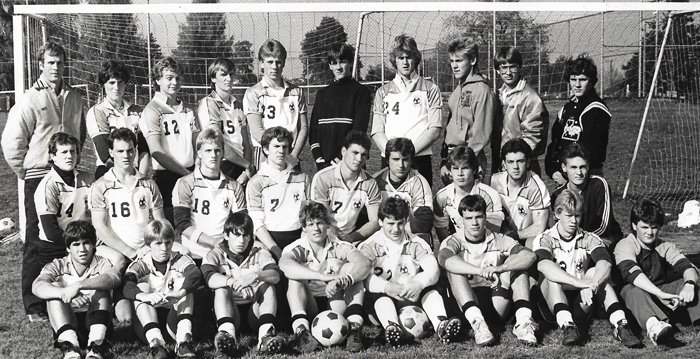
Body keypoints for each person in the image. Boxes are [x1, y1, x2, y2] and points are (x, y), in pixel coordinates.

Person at [1, 41, 86, 322]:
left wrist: (70, 162)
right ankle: (33, 303)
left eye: (60, 62)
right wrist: (26, 172)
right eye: (50, 62)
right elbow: (12, 142)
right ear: (40, 65)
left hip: (68, 174)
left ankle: (67, 293)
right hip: (38, 177)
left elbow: (79, 135)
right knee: (38, 241)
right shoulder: (30, 99)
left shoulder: (74, 96)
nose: (55, 67)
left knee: (70, 234)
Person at [91, 128, 187, 322]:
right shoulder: (101, 185)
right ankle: (119, 297)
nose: (125, 155)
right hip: (117, 253)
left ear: (135, 151)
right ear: (111, 152)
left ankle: (179, 299)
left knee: (184, 251)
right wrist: (131, 252)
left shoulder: (148, 184)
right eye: (120, 151)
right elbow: (100, 227)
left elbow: (160, 222)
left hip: (145, 250)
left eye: (130, 150)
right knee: (124, 317)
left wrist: (150, 248)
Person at [532, 190, 642, 348]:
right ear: (557, 214)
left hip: (581, 300)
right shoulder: (545, 238)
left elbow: (606, 263)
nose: (574, 221)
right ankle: (567, 327)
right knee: (552, 276)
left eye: (577, 216)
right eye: (569, 216)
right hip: (552, 300)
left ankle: (621, 325)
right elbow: (543, 265)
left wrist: (593, 283)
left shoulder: (589, 238)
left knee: (595, 273)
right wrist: (581, 283)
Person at [438, 195, 538, 346]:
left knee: (518, 266)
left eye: (478, 217)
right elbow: (444, 259)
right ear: (462, 219)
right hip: (466, 303)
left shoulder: (499, 239)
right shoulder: (454, 240)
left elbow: (529, 256)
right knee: (454, 270)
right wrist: (480, 271)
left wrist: (501, 268)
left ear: (485, 217)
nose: (474, 223)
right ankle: (479, 325)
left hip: (495, 300)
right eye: (469, 218)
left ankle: (523, 323)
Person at [359, 197, 461, 346]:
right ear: (380, 222)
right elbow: (364, 277)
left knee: (430, 290)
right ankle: (392, 328)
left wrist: (419, 283)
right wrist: (386, 287)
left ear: (406, 220)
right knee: (381, 298)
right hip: (382, 300)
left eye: (400, 223)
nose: (396, 229)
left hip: (412, 295)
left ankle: (441, 324)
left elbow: (432, 268)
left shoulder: (417, 243)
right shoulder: (369, 246)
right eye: (391, 224)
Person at [279, 202, 371, 353]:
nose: (316, 228)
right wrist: (321, 276)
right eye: (311, 224)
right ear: (303, 227)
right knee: (294, 277)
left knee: (351, 268)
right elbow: (284, 265)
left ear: (327, 224)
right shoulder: (297, 247)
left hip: (335, 302)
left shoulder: (339, 246)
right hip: (309, 302)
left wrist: (343, 279)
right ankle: (302, 332)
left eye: (320, 223)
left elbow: (365, 263)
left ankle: (355, 330)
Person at [615, 199, 700, 346]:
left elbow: (688, 267)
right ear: (634, 226)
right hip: (632, 300)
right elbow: (632, 274)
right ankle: (654, 327)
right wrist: (659, 294)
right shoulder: (625, 244)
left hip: (660, 294)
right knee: (631, 290)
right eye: (645, 227)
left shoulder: (664, 246)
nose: (649, 232)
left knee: (692, 281)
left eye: (654, 227)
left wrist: (689, 285)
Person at [32, 221, 121, 359]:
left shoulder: (103, 263)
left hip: (97, 322)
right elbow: (37, 286)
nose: (82, 249)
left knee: (101, 286)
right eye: (76, 244)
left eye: (86, 243)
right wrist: (64, 292)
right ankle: (70, 349)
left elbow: (113, 278)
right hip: (67, 323)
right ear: (68, 248)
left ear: (93, 244)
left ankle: (96, 348)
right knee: (54, 287)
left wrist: (79, 285)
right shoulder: (57, 265)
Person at [201, 212, 284, 357]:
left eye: (246, 235)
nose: (241, 240)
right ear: (226, 236)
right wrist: (234, 282)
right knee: (221, 287)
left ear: (251, 236)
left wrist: (255, 276)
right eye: (236, 235)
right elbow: (208, 277)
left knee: (268, 285)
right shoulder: (216, 253)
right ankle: (228, 336)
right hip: (231, 312)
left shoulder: (259, 251)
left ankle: (265, 336)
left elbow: (276, 275)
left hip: (256, 311)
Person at [123, 220, 203, 359]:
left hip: (174, 320)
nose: (164, 248)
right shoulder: (141, 264)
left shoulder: (179, 259)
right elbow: (125, 284)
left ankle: (183, 343)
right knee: (142, 287)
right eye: (158, 243)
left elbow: (195, 274)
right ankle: (157, 346)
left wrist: (180, 293)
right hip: (147, 323)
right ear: (148, 245)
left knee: (186, 286)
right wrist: (143, 296)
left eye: (168, 242)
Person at [371, 34, 442, 185]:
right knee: (390, 207)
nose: (404, 62)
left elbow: (435, 129)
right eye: (400, 57)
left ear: (416, 58)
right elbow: (377, 130)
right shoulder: (382, 92)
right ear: (394, 60)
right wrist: (393, 156)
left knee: (421, 206)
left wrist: (410, 153)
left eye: (408, 57)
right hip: (390, 161)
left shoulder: (431, 89)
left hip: (420, 159)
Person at [140, 56, 201, 224]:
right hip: (167, 177)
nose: (175, 82)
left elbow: (198, 144)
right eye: (169, 78)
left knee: (194, 226)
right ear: (158, 80)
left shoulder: (189, 109)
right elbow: (157, 152)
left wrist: (197, 171)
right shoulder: (152, 110)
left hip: (192, 173)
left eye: (178, 78)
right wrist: (186, 175)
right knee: (170, 230)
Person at [173, 127, 247, 260]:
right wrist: (213, 242)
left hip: (223, 255)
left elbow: (240, 224)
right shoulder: (185, 183)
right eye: (208, 150)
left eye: (217, 150)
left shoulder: (234, 186)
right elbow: (182, 225)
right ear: (199, 153)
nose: (213, 155)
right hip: (193, 254)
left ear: (223, 153)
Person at [246, 126, 310, 260]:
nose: (281, 151)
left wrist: (301, 245)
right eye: (276, 146)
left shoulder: (302, 178)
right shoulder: (256, 183)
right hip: (269, 242)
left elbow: (308, 216)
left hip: (298, 238)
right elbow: (257, 224)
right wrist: (276, 251)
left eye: (285, 147)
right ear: (265, 149)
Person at [545, 54, 610, 184]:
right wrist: (553, 170)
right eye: (573, 79)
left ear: (591, 81)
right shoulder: (567, 109)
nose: (577, 85)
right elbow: (555, 143)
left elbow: (590, 150)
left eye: (582, 80)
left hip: (586, 176)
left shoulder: (596, 109)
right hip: (565, 175)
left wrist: (569, 174)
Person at [34, 133, 95, 272]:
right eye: (64, 152)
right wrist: (77, 244)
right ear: (53, 156)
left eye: (72, 151)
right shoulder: (48, 186)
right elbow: (51, 231)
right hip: (55, 248)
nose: (69, 156)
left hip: (83, 244)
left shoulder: (88, 179)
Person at [244, 39, 307, 169]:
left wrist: (293, 155)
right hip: (265, 154)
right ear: (261, 64)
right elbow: (256, 131)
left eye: (278, 62)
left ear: (283, 63)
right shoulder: (253, 93)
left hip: (290, 154)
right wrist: (275, 153)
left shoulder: (296, 92)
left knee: (293, 188)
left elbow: (303, 128)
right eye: (270, 62)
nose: (274, 67)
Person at [440, 38, 495, 185]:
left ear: (472, 60)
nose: (454, 66)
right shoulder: (457, 90)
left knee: (470, 206)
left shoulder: (482, 90)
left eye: (459, 61)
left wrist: (464, 162)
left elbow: (481, 134)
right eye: (452, 61)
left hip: (469, 160)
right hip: (453, 158)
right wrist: (445, 160)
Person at [311, 130, 381, 244]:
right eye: (355, 153)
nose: (359, 159)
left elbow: (375, 221)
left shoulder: (370, 182)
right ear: (344, 151)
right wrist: (336, 240)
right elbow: (319, 218)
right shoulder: (323, 178)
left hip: (351, 239)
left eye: (363, 155)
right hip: (321, 236)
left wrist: (351, 238)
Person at [309, 43, 371, 170]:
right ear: (330, 66)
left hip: (350, 163)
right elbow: (314, 131)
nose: (338, 67)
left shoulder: (361, 92)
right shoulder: (322, 94)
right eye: (334, 63)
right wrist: (318, 158)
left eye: (342, 62)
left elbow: (358, 132)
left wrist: (339, 159)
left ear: (350, 63)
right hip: (324, 165)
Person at [549, 143, 622, 247]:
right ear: (564, 167)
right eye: (573, 167)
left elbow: (604, 227)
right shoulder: (557, 194)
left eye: (582, 167)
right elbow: (557, 226)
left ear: (588, 166)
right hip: (572, 241)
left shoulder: (599, 185)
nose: (579, 172)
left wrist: (580, 242)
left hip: (602, 237)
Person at [86, 59, 150, 180]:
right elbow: (104, 153)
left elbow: (144, 149)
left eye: (120, 82)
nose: (116, 87)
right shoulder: (98, 111)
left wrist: (141, 177)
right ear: (103, 85)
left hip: (135, 173)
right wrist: (124, 179)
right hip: (109, 172)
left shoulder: (137, 111)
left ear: (125, 84)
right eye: (111, 82)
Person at [491, 46, 548, 176]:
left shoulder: (529, 96)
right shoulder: (499, 95)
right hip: (501, 163)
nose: (508, 72)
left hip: (520, 165)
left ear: (520, 67)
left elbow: (532, 135)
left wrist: (514, 159)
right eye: (503, 68)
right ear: (498, 71)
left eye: (513, 67)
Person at [197, 58, 255, 183]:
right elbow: (216, 140)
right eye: (223, 74)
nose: (229, 78)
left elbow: (246, 144)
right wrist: (246, 165)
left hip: (241, 165)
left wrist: (246, 170)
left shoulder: (238, 104)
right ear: (213, 78)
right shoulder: (209, 103)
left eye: (231, 74)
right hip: (221, 163)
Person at [434, 145, 504, 242]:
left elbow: (493, 233)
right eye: (455, 168)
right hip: (458, 246)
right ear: (450, 171)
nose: (460, 173)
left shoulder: (490, 195)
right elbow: (441, 230)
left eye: (465, 168)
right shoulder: (441, 197)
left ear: (474, 169)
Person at [490, 138, 550, 248]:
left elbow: (539, 227)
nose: (515, 167)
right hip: (502, 234)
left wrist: (515, 235)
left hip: (526, 238)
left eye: (520, 161)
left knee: (531, 244)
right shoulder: (494, 181)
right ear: (504, 164)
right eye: (510, 162)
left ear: (528, 162)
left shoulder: (537, 188)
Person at [373, 137, 433, 237]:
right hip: (380, 238)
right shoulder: (375, 181)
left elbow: (424, 223)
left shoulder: (419, 182)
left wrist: (394, 230)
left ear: (411, 161)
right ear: (387, 160)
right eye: (396, 159)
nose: (401, 165)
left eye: (405, 160)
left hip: (408, 237)